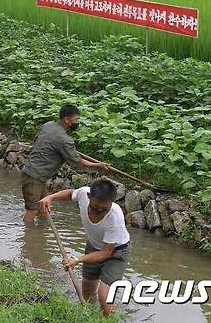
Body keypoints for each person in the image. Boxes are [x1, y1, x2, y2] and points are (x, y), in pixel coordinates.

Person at [39, 179, 130, 316]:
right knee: (87, 289)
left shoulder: (115, 218)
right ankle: (89, 316)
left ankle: (110, 318)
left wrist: (77, 259)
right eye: (95, 207)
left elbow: (105, 253)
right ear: (89, 197)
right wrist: (50, 197)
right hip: (94, 245)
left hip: (116, 252)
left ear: (112, 203)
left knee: (104, 297)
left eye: (104, 209)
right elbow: (70, 194)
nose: (98, 211)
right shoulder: (83, 194)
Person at [22, 104, 109, 224]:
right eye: (76, 119)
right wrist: (98, 165)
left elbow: (39, 140)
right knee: (32, 211)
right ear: (67, 119)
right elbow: (78, 163)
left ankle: (40, 233)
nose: (78, 122)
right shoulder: (64, 140)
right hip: (34, 177)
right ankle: (29, 236)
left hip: (34, 173)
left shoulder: (49, 125)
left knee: (43, 207)